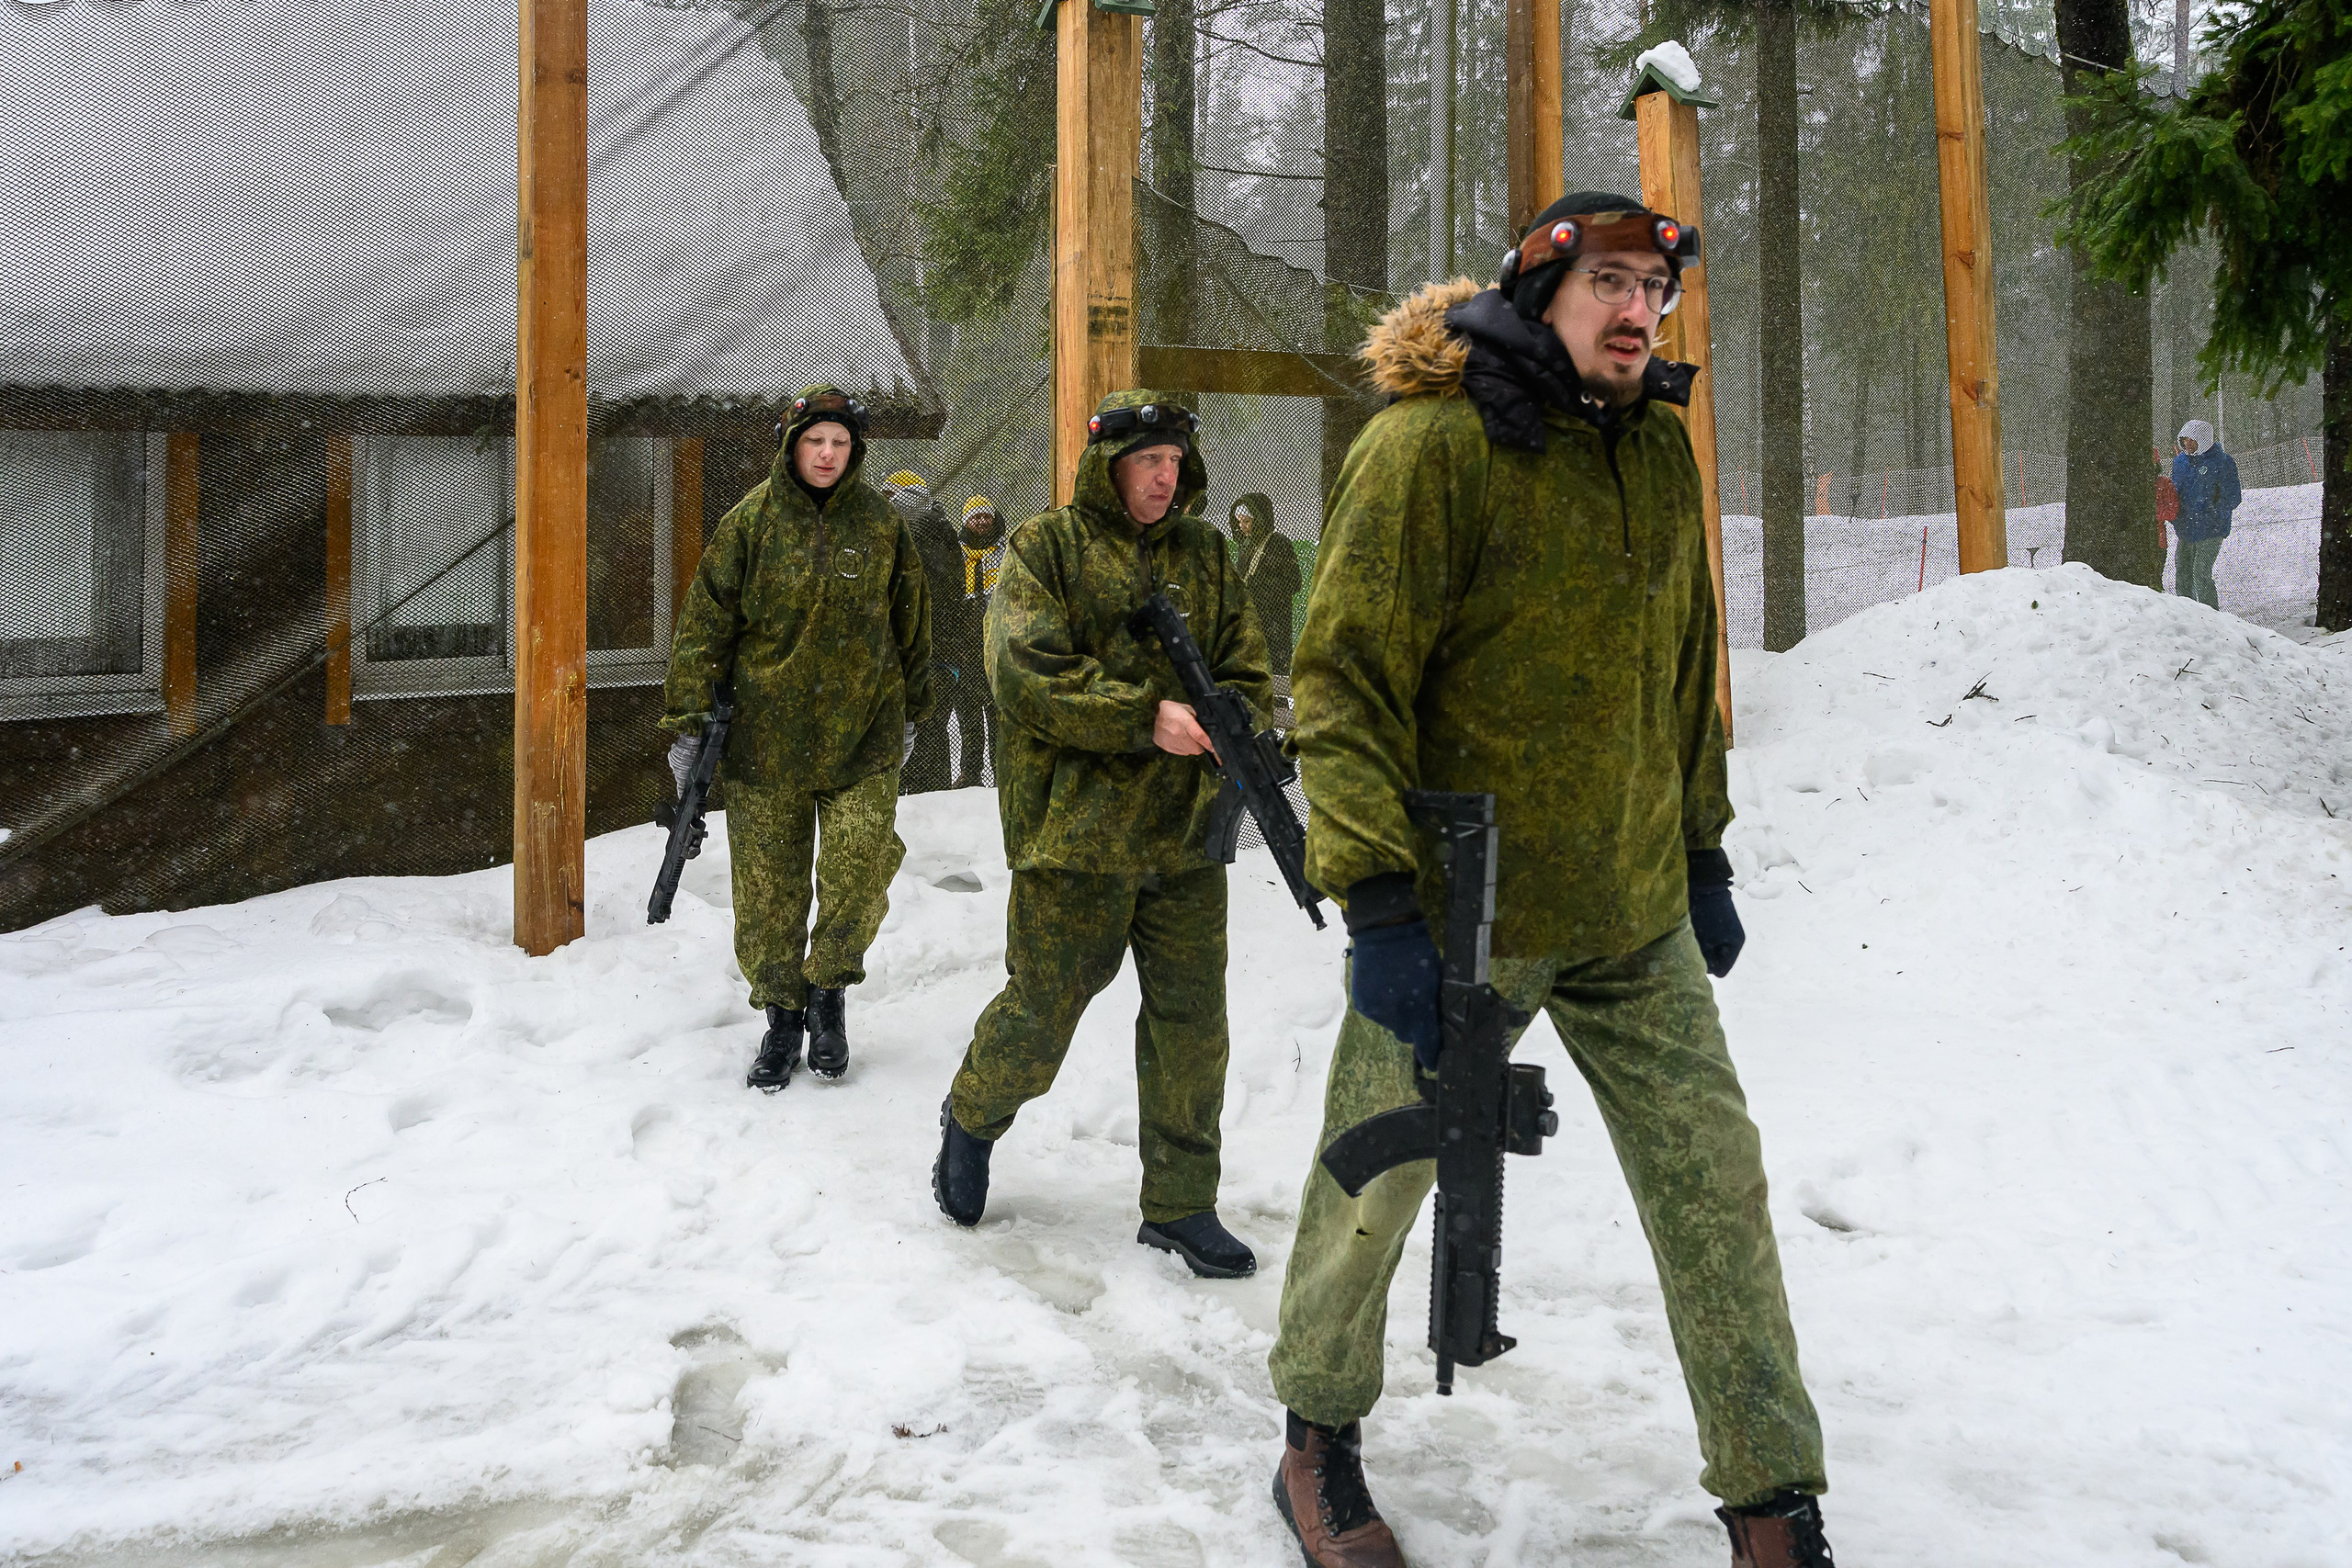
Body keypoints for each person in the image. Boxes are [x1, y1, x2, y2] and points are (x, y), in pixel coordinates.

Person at [1263, 195, 1835, 1568]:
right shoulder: (1428, 452)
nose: (1640, 312)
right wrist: (1381, 901)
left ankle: (1773, 1498)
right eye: (1614, 285)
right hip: (1465, 912)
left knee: (1716, 1184)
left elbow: (1687, 672)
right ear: (1541, 292)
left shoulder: (1654, 453)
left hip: (1633, 908)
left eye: (1659, 290)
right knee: (1372, 1182)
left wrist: (1702, 846)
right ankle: (1316, 1433)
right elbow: (1341, 684)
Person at [931, 389, 1272, 1280]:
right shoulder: (1047, 548)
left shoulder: (1204, 553)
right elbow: (1024, 673)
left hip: (1184, 834)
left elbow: (1245, 659)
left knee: (1192, 1027)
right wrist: (1141, 715)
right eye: (1146, 463)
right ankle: (973, 1114)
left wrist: (1231, 714)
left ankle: (1181, 1206)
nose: (1164, 479)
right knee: (1043, 1007)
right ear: (1106, 465)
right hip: (1074, 837)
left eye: (1173, 463)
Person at [662, 388, 933, 1091]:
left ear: (856, 451)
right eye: (816, 442)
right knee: (768, 894)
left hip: (863, 739)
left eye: (840, 444)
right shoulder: (749, 523)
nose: (827, 455)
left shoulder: (881, 526)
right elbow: (703, 627)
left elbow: (913, 624)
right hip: (766, 742)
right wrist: (690, 723)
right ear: (791, 446)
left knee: (859, 867)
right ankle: (783, 1016)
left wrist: (912, 712)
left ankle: (828, 995)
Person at [885, 470, 968, 790]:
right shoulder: (940, 526)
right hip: (938, 649)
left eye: (891, 495)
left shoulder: (909, 527)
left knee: (920, 728)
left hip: (922, 648)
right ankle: (928, 797)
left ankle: (922, 797)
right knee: (928, 729)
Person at [948, 497, 1008, 786]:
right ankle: (970, 773)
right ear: (965, 521)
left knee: (998, 711)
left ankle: (1001, 771)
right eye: (976, 517)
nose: (982, 522)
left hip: (997, 640)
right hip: (966, 642)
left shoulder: (1005, 550)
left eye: (986, 516)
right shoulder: (957, 552)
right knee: (969, 712)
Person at [1227, 492, 1303, 686]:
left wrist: (1261, 589)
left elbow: (1294, 582)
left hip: (1275, 619)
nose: (1242, 526)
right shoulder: (1245, 545)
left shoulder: (1279, 544)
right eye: (1239, 522)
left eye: (1247, 521)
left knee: (1276, 668)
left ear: (1259, 520)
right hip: (1251, 617)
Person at [2171, 419, 2241, 611]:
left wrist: (2213, 514)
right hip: (2185, 527)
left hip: (2211, 529)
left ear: (2203, 440)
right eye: (2184, 440)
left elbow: (2233, 496)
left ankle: (2211, 615)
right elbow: (2175, 491)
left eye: (2192, 440)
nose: (2187, 444)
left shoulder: (2222, 462)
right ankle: (2186, 612)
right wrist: (2174, 513)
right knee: (2183, 571)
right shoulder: (2180, 462)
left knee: (2201, 572)